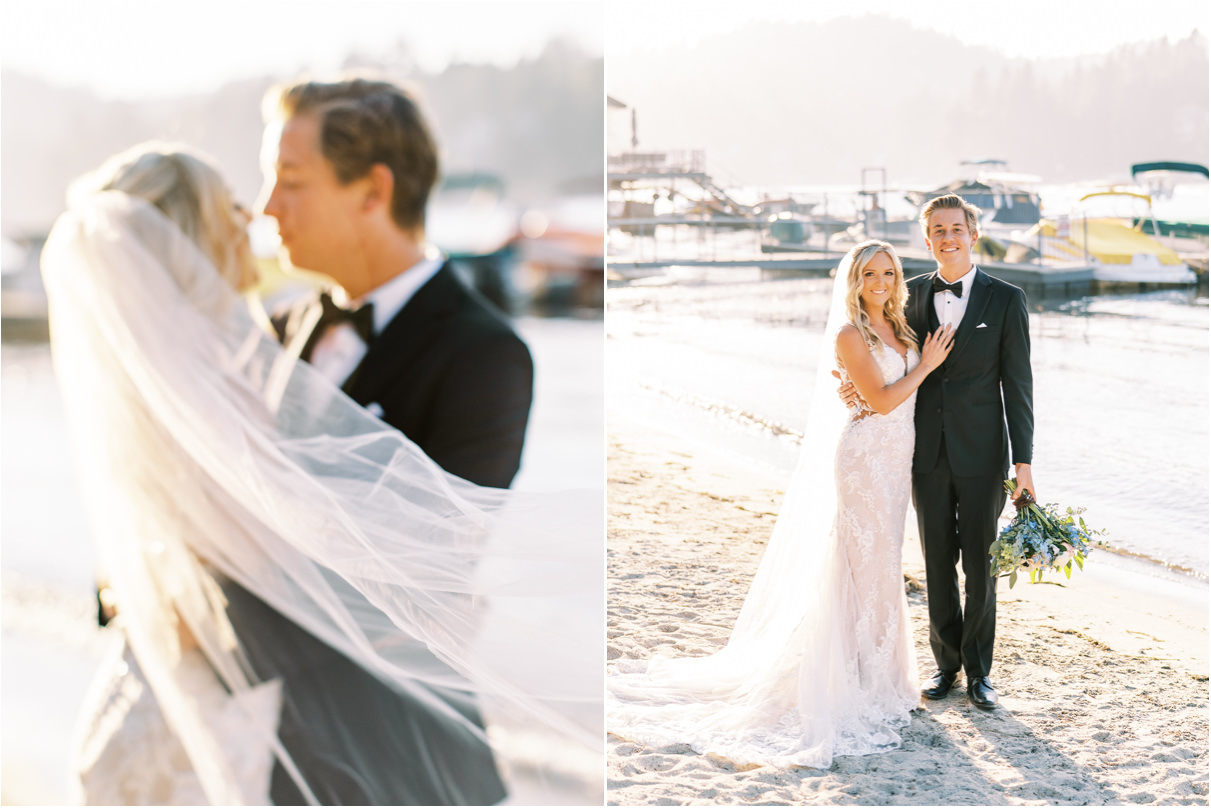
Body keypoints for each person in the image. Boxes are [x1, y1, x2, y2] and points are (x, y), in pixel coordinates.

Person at [45, 142, 601, 806]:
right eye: (229, 203)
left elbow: (437, 541)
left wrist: (423, 596)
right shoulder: (215, 369)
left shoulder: (235, 351)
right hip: (224, 706)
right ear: (185, 235)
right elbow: (160, 534)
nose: (254, 212)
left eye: (287, 183)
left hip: (279, 713)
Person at [215, 75, 535, 805]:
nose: (267, 207)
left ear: (371, 190)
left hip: (401, 759)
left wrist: (206, 606)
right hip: (278, 748)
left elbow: (413, 582)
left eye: (289, 180)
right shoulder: (282, 328)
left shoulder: (483, 354)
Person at [607, 240, 954, 769]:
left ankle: (877, 674)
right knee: (869, 568)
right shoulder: (849, 334)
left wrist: (921, 361)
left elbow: (896, 400)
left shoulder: (901, 328)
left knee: (880, 566)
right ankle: (864, 680)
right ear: (854, 281)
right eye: (869, 274)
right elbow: (882, 400)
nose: (880, 282)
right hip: (863, 461)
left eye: (888, 272)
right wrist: (926, 366)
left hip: (895, 461)